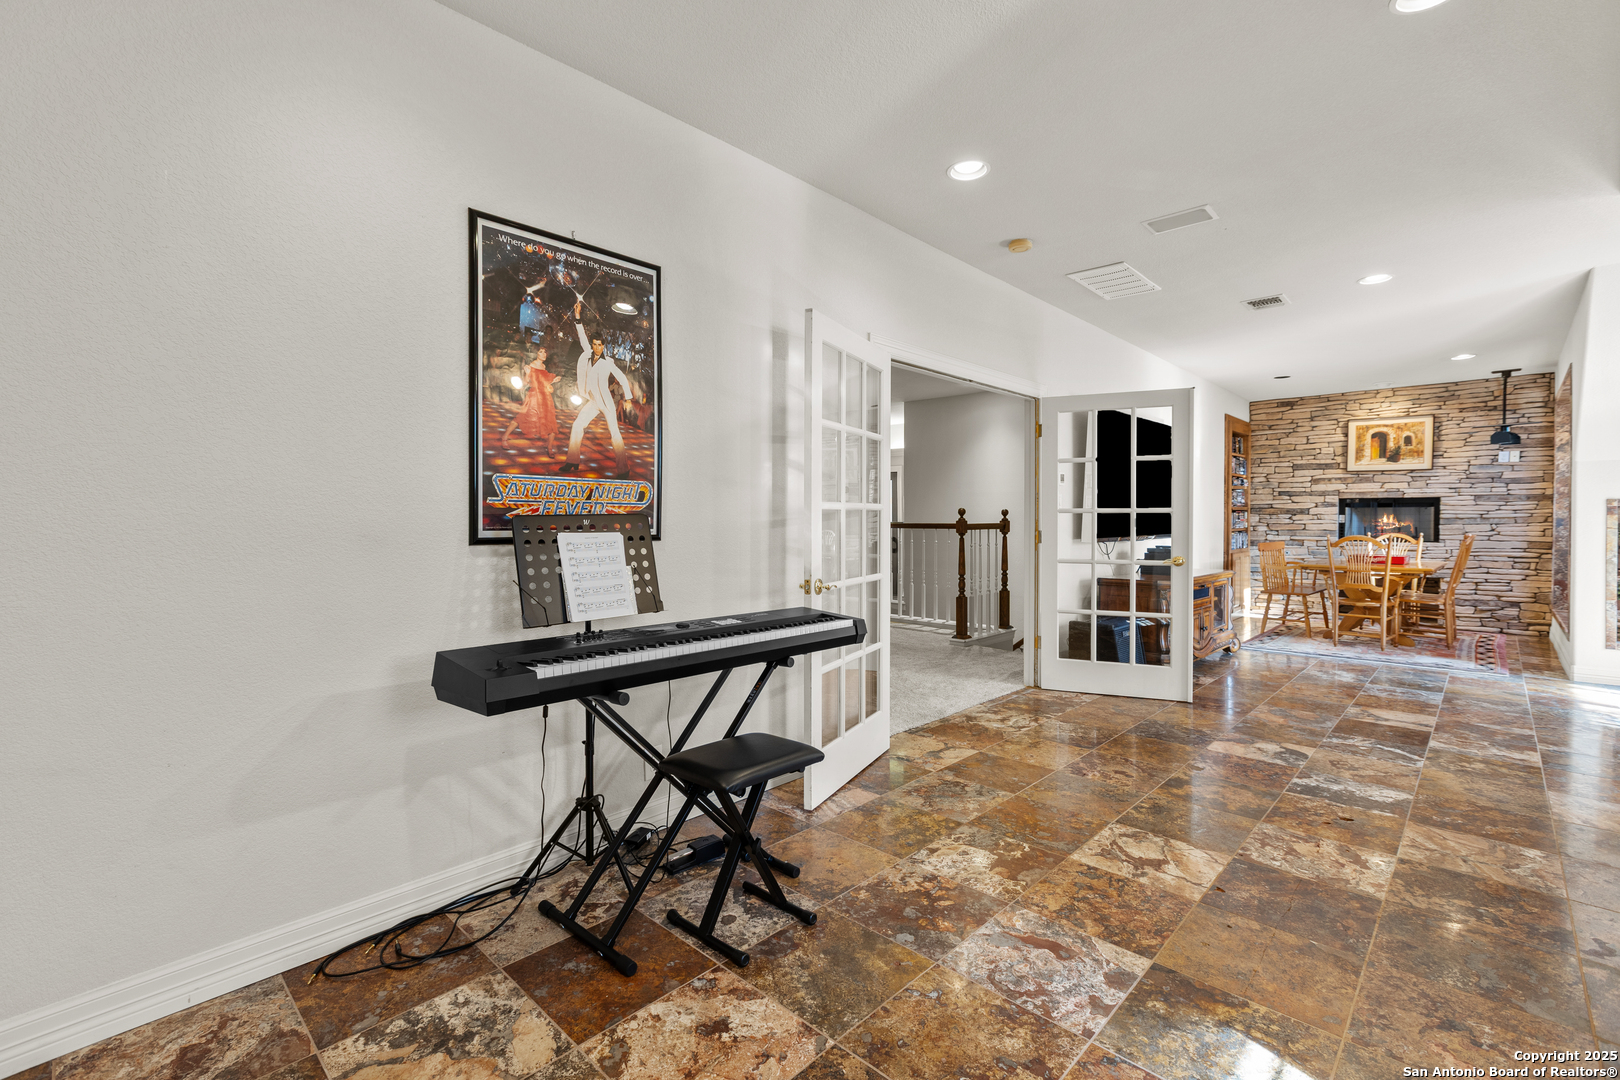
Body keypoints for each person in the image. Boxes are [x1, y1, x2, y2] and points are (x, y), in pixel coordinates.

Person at [559, 302, 631, 476]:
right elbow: (581, 335)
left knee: (614, 433)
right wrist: (577, 317)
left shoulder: (609, 362)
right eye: (595, 344)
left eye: (600, 345)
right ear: (592, 345)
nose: (597, 347)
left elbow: (621, 377)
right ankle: (572, 460)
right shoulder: (587, 355)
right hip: (592, 401)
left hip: (606, 402)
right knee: (577, 425)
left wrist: (627, 397)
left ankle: (624, 469)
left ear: (603, 346)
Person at [500, 347, 560, 455]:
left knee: (550, 421)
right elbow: (525, 382)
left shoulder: (543, 366)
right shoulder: (531, 365)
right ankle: (504, 437)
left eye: (545, 352)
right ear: (536, 354)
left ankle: (550, 448)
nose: (544, 354)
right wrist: (527, 373)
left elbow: (543, 383)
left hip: (545, 398)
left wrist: (553, 381)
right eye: (541, 352)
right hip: (534, 396)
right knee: (521, 417)